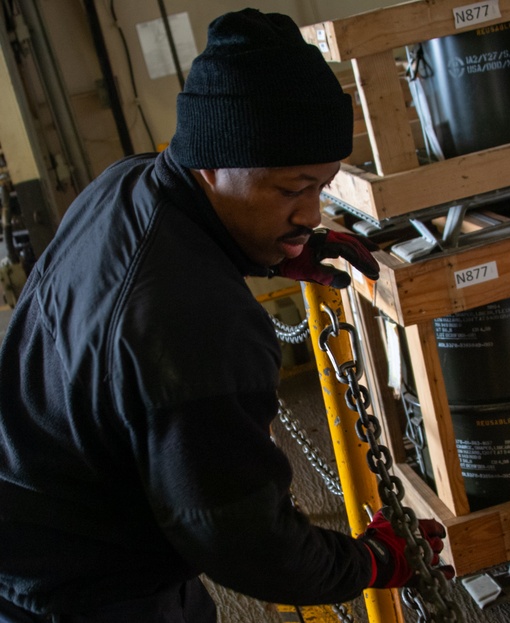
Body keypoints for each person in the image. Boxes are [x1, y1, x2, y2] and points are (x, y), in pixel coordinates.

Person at [0, 9, 451, 622]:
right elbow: (244, 541)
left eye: (321, 186)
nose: (312, 214)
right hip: (86, 588)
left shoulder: (127, 184)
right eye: (292, 190)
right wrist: (369, 562)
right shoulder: (197, 322)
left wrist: (277, 251)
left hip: (43, 521)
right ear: (212, 162)